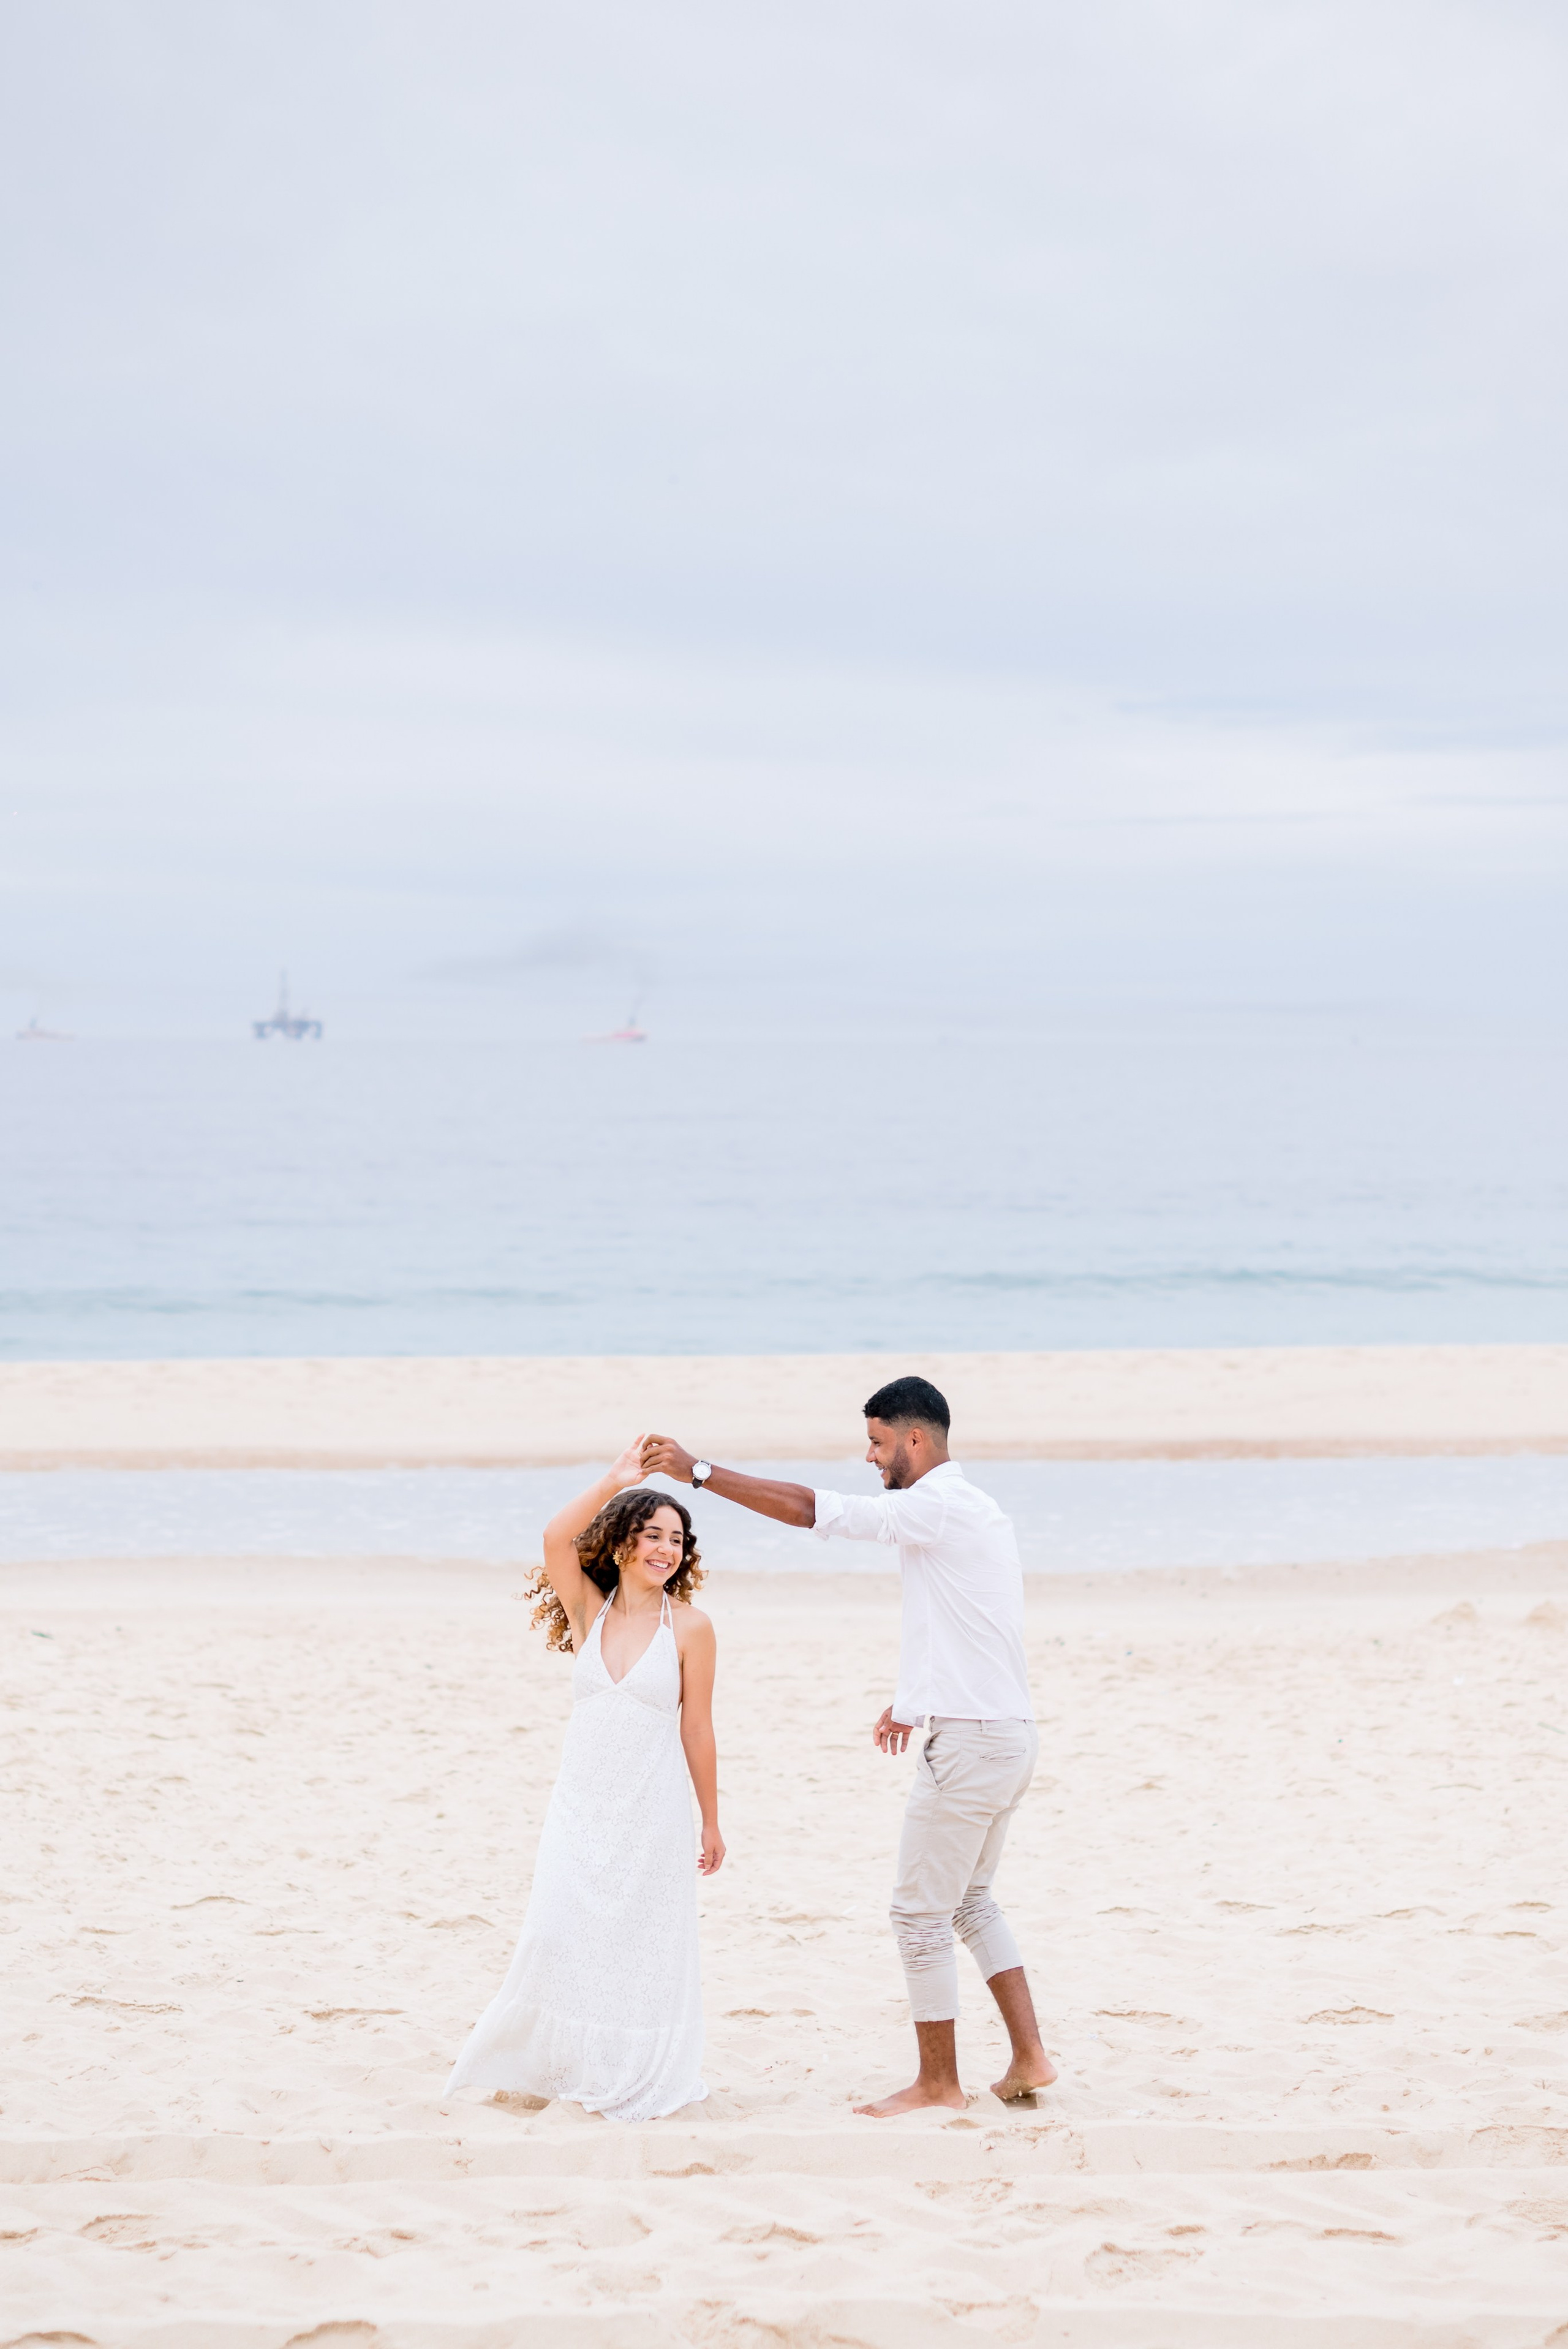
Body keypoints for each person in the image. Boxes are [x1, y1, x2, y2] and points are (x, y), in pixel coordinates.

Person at [641, 1375, 1055, 2117]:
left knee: (917, 1914)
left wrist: (696, 1472)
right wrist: (915, 1699)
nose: (869, 1457)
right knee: (968, 1901)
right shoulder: (974, 1509)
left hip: (971, 1744)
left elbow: (811, 1512)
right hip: (1007, 1734)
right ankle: (1029, 2057)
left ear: (914, 1439)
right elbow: (972, 1621)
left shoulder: (932, 1503)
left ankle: (938, 2084)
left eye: (875, 1441)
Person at [444, 1437, 723, 2122]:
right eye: (652, 1534)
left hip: (653, 1810)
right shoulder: (588, 1613)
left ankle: (627, 2069)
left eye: (677, 1540)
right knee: (560, 1933)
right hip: (581, 1806)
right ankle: (563, 2063)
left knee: (640, 1944)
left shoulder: (690, 1627)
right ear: (624, 1542)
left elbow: (697, 1729)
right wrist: (614, 1478)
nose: (666, 1548)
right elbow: (554, 1537)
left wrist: (711, 1821)